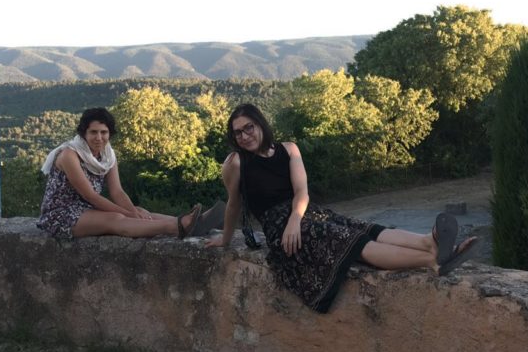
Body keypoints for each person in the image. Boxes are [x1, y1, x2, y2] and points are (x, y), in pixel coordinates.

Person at [205, 103, 477, 313]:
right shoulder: (235, 163)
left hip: (304, 215)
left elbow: (302, 192)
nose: (243, 136)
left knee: (365, 227)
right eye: (237, 132)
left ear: (260, 123)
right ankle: (431, 261)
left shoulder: (289, 149)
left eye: (248, 127)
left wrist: (295, 219)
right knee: (350, 241)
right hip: (280, 229)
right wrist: (226, 239)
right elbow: (233, 204)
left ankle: (428, 242)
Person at [37, 107, 203, 240]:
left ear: (110, 133)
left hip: (86, 210)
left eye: (104, 132)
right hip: (60, 215)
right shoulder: (69, 155)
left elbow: (117, 192)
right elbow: (91, 196)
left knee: (140, 211)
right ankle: (175, 227)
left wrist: (134, 212)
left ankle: (187, 222)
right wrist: (129, 214)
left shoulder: (108, 156)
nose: (99, 137)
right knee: (116, 219)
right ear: (83, 133)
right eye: (93, 132)